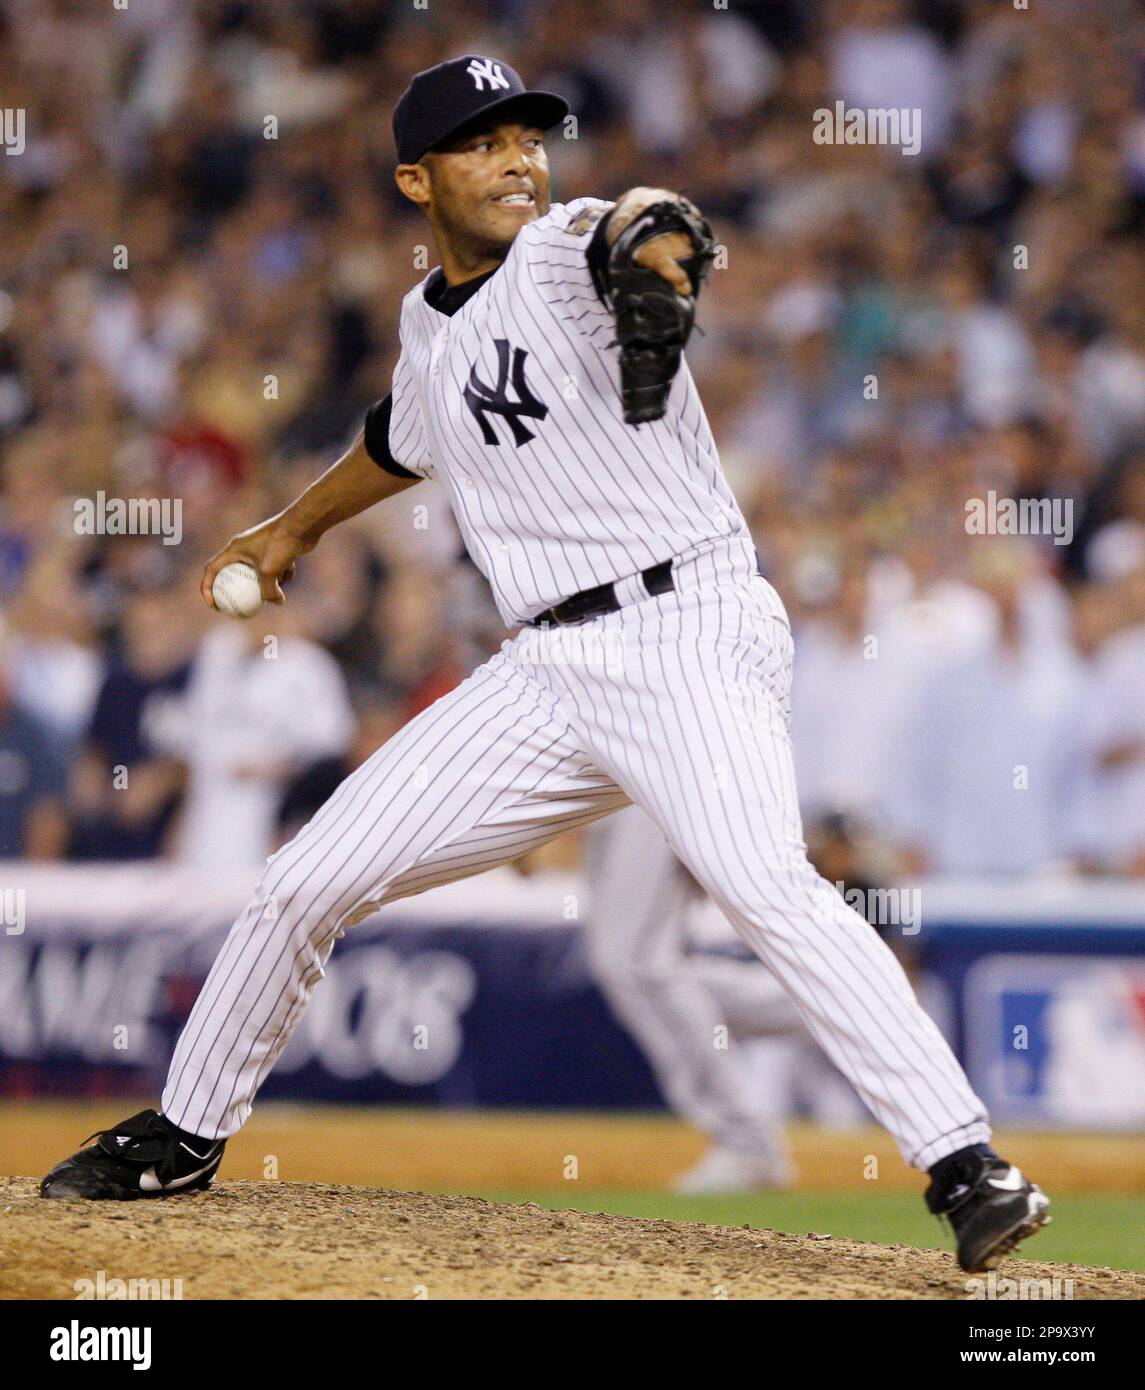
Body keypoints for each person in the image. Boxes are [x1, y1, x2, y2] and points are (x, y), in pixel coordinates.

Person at [41, 55, 1049, 1274]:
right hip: (543, 668)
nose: (519, 156)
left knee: (757, 881)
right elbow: (398, 440)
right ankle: (187, 1131)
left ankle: (964, 1163)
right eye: (481, 142)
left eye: (529, 134)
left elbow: (647, 221)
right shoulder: (425, 321)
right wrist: (294, 527)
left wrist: (666, 253)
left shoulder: (566, 249)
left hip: (684, 624)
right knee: (304, 878)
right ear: (415, 178)